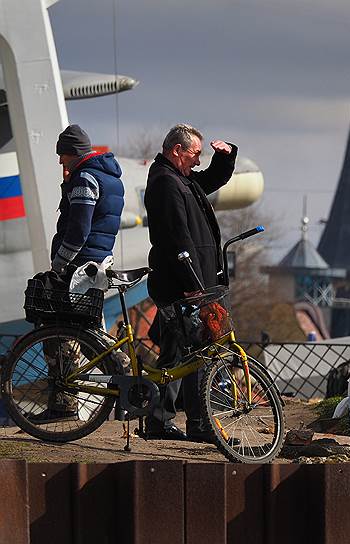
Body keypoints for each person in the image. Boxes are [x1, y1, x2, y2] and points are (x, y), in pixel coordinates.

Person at [143, 123, 237, 442]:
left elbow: (212, 179)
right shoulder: (166, 182)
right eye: (195, 154)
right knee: (190, 352)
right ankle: (187, 423)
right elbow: (177, 239)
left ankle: (177, 422)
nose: (198, 161)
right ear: (177, 151)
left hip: (190, 281)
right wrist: (194, 285)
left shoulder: (181, 179)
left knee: (187, 352)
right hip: (182, 284)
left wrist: (224, 158)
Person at [32, 124, 125, 423]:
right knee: (85, 331)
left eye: (62, 155)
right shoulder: (108, 177)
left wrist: (59, 264)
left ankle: (65, 404)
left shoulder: (85, 178)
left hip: (79, 267)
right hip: (97, 264)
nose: (61, 161)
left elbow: (78, 231)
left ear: (72, 153)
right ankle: (125, 374)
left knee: (58, 330)